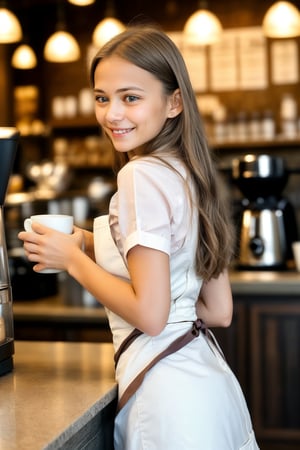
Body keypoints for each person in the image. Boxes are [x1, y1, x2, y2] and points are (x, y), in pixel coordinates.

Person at [18, 26, 259, 450]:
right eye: (101, 97)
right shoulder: (191, 173)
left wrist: (74, 262)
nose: (112, 113)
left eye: (130, 97)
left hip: (168, 404)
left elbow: (151, 314)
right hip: (212, 391)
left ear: (174, 103)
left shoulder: (139, 175)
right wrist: (89, 243)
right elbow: (217, 309)